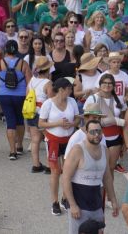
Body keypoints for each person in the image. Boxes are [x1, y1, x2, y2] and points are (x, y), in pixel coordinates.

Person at [62, 118, 118, 234]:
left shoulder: (105, 150)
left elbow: (107, 177)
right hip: (79, 205)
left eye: (99, 131)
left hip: (96, 203)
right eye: (92, 132)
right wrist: (72, 205)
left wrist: (113, 200)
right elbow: (66, 178)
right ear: (86, 132)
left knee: (99, 232)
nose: (96, 135)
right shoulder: (77, 150)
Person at [39, 77, 80, 216]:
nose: (71, 91)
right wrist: (58, 123)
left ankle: (65, 198)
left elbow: (77, 118)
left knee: (69, 171)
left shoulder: (72, 101)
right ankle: (54, 202)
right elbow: (41, 124)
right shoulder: (48, 104)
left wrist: (72, 124)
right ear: (61, 90)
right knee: (56, 172)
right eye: (69, 89)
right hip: (53, 141)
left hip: (69, 140)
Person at [0, 40, 32, 160]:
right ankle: (19, 146)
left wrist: (0, 91)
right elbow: (29, 81)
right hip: (20, 96)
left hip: (4, 96)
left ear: (5, 50)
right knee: (20, 120)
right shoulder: (23, 63)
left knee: (10, 122)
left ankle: (12, 151)